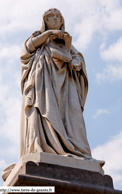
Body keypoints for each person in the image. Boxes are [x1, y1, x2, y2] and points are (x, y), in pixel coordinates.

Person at [19, 8, 103, 164]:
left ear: (62, 21)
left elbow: (77, 57)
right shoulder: (38, 38)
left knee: (74, 116)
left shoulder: (66, 43)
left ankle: (78, 151)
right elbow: (26, 50)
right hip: (44, 85)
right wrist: (48, 35)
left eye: (59, 16)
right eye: (51, 16)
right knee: (45, 112)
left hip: (66, 86)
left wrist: (76, 63)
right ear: (44, 21)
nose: (55, 18)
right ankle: (44, 148)